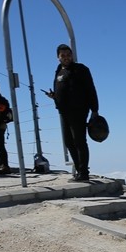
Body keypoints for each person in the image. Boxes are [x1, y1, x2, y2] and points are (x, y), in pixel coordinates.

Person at [43, 44, 98, 181]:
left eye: (68, 55)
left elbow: (91, 89)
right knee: (68, 142)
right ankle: (79, 170)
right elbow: (64, 90)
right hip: (63, 111)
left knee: (79, 141)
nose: (66, 58)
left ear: (72, 55)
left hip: (78, 110)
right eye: (63, 55)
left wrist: (95, 110)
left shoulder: (81, 69)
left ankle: (84, 173)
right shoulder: (59, 71)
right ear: (58, 57)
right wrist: (54, 96)